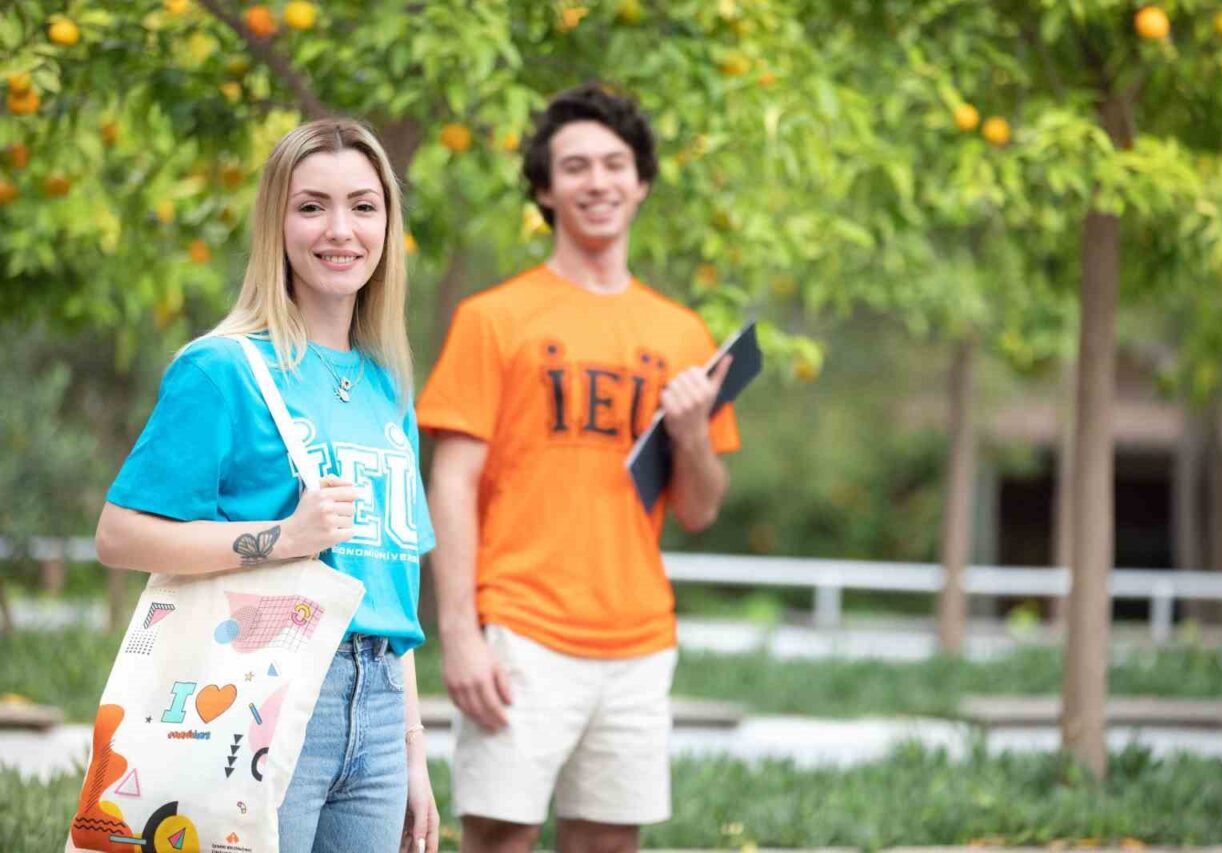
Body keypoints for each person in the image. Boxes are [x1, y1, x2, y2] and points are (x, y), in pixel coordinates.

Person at [94, 118, 439, 853]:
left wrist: (414, 751)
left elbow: (389, 585)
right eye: (312, 206)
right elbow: (119, 534)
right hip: (261, 694)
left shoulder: (389, 389)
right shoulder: (221, 368)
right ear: (276, 223)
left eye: (364, 206)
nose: (340, 229)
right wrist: (281, 538)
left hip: (376, 709)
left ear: (387, 223)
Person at [417, 83, 740, 853]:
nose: (597, 181)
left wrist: (692, 435)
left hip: (637, 636)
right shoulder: (493, 318)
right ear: (543, 188)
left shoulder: (683, 331)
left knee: (608, 842)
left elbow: (698, 509)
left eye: (614, 164)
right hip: (521, 627)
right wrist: (460, 633)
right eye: (575, 166)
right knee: (499, 837)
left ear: (642, 182)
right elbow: (452, 483)